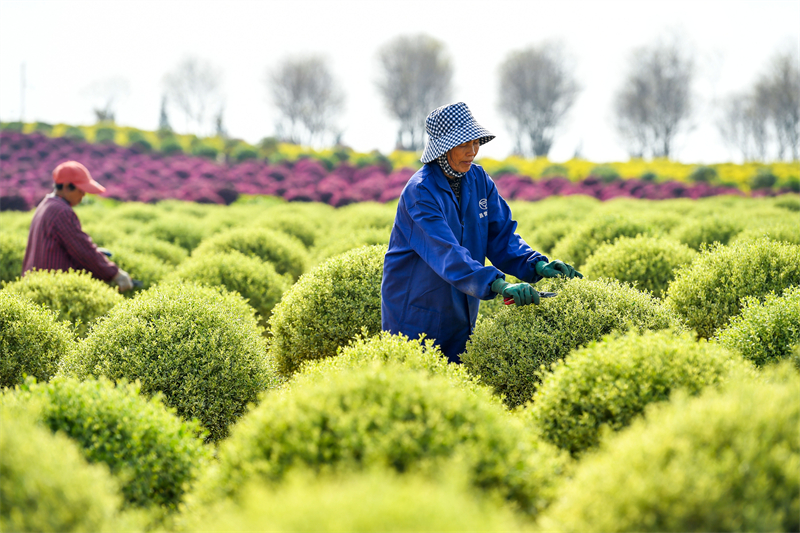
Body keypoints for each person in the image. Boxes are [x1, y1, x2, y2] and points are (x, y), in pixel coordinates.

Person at [381, 102, 581, 363]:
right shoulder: (420, 192)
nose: (473, 151)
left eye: (475, 143)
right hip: (416, 310)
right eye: (464, 145)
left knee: (459, 385)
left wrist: (537, 264)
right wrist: (499, 284)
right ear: (444, 147)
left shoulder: (478, 179)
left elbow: (501, 237)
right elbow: (447, 253)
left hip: (459, 306)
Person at [22, 160, 133, 292]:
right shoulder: (61, 211)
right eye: (81, 190)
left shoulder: (46, 205)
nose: (84, 194)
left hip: (35, 285)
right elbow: (83, 250)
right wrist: (116, 274)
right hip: (51, 289)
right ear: (67, 186)